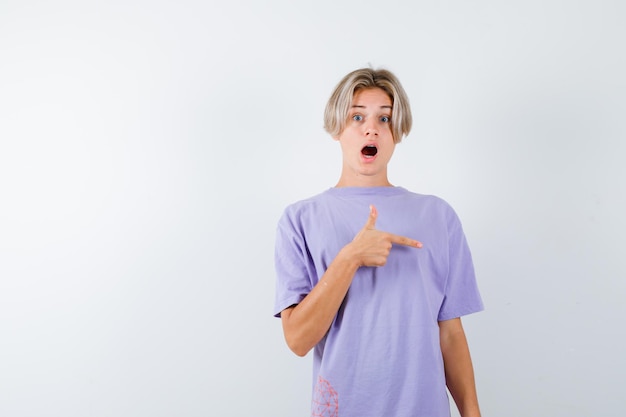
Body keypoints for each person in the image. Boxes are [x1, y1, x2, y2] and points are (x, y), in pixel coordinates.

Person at [273, 67, 484, 417]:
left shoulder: (437, 216)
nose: (371, 127)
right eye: (357, 116)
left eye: (384, 119)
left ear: (397, 132)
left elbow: (450, 333)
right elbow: (298, 339)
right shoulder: (299, 220)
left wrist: (472, 413)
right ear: (337, 128)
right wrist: (349, 258)